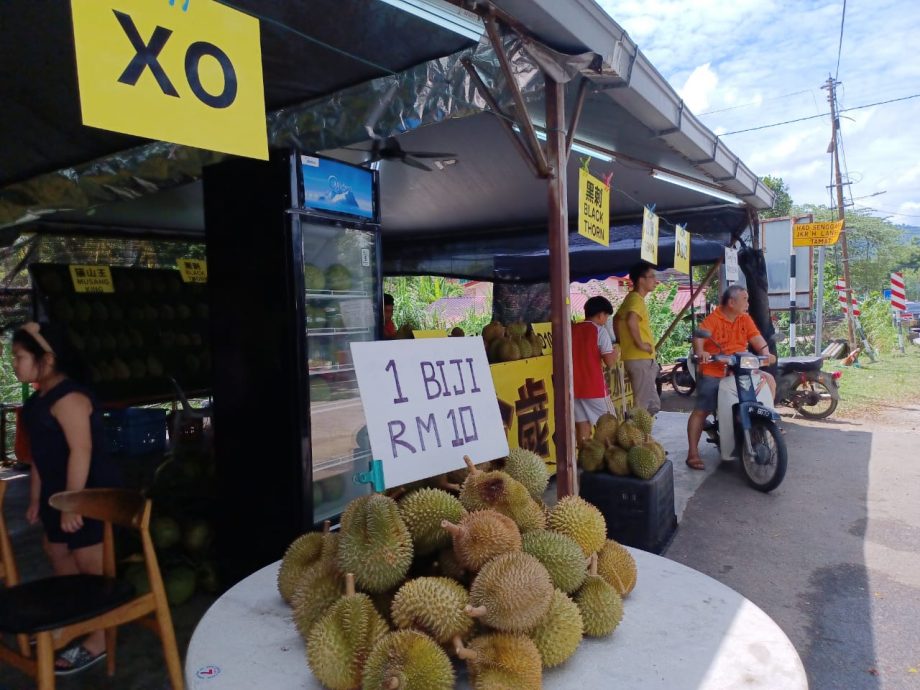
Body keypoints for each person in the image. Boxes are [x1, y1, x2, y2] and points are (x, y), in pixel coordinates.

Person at [12, 322, 120, 674]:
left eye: (20, 356)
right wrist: (34, 499)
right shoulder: (37, 402)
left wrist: (72, 501)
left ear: (47, 359)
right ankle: (77, 621)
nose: (14, 363)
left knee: (90, 565)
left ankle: (99, 639)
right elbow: (41, 459)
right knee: (57, 552)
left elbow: (81, 451)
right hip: (57, 499)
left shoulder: (71, 398)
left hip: (84, 498)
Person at [685, 285, 777, 470]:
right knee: (703, 409)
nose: (748, 303)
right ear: (731, 302)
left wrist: (766, 353)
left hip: (741, 367)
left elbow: (756, 338)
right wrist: (701, 351)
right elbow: (699, 337)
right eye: (745, 299)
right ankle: (692, 452)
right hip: (714, 369)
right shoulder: (714, 319)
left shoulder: (744, 318)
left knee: (768, 380)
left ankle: (763, 425)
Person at [613, 261, 661, 415]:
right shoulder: (636, 300)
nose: (655, 280)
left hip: (638, 359)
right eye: (652, 277)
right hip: (640, 358)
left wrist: (622, 341)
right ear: (641, 280)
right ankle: (635, 436)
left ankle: (642, 436)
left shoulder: (631, 298)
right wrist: (640, 344)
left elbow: (616, 319)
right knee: (641, 408)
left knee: (653, 405)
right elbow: (631, 320)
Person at [572, 296, 620, 445]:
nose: (606, 320)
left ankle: (584, 461)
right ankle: (609, 458)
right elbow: (610, 362)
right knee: (610, 426)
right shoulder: (600, 331)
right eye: (606, 316)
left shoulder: (571, 330)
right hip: (594, 388)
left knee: (582, 425)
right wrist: (616, 351)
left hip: (574, 388)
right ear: (601, 314)